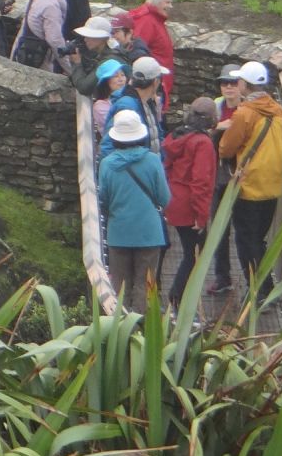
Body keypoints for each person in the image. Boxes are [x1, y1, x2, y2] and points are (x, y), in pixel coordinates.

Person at [217, 60, 282, 300]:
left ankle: (258, 291)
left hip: (248, 186)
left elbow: (225, 149)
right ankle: (265, 287)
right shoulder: (277, 109)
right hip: (272, 186)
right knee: (258, 239)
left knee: (245, 241)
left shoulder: (246, 113)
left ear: (245, 85)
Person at [99, 108, 172, 315]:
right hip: (149, 232)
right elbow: (164, 197)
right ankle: (142, 328)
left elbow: (104, 199)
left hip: (119, 231)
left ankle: (119, 328)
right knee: (145, 283)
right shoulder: (152, 160)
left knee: (120, 285)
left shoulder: (106, 165)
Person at [163, 97, 219, 306]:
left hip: (174, 199)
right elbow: (201, 182)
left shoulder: (176, 136)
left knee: (191, 251)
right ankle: (178, 297)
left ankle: (178, 296)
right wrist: (201, 216)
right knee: (194, 253)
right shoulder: (203, 143)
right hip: (189, 206)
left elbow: (167, 166)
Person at [206, 65, 244, 295]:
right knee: (219, 229)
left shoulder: (249, 109)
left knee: (244, 231)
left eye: (233, 82)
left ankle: (253, 280)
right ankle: (222, 276)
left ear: (241, 85)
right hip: (218, 176)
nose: (228, 87)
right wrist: (218, 127)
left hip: (242, 176)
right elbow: (199, 133)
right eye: (224, 83)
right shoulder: (215, 107)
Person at [11, 0, 76, 72]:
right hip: (38, 60)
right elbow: (55, 40)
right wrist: (70, 70)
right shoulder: (50, 5)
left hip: (22, 53)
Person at [107, 56, 169, 152]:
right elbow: (108, 145)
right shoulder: (126, 105)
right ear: (156, 82)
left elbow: (157, 137)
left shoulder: (148, 102)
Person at [129, 0, 177, 104]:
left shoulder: (154, 19)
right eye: (167, 2)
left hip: (156, 85)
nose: (170, 6)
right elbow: (137, 52)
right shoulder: (146, 21)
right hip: (151, 88)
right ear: (157, 1)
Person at [67, 16, 118, 97]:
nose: (85, 39)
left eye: (89, 36)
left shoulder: (109, 60)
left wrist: (77, 63)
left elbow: (84, 88)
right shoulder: (103, 53)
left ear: (102, 38)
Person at [92, 58, 128, 141]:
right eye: (116, 76)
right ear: (106, 82)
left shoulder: (130, 97)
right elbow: (118, 126)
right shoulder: (100, 106)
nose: (121, 79)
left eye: (122, 75)